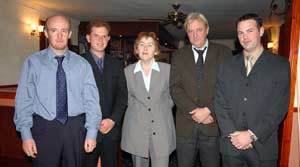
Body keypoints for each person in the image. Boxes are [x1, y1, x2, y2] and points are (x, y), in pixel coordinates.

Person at [14, 15, 102, 167]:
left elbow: (92, 101)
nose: (60, 36)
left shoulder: (83, 65)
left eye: (64, 31)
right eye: (54, 30)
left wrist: (92, 133)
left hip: (75, 128)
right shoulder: (33, 63)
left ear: (69, 34)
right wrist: (26, 135)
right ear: (46, 33)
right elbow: (24, 100)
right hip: (44, 128)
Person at [214, 13, 291, 167]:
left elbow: (279, 107)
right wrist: (234, 135)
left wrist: (251, 135)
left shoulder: (280, 65)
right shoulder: (226, 65)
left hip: (263, 148)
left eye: (250, 31)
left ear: (261, 31)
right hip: (231, 147)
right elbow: (219, 102)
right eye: (240, 32)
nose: (245, 37)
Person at [169, 12, 232, 167]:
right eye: (190, 31)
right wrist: (195, 111)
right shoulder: (178, 55)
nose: (195, 34)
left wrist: (208, 110)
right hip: (185, 125)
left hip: (212, 124)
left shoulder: (223, 53)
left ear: (207, 30)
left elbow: (227, 87)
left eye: (199, 29)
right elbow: (175, 88)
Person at [121, 32, 176, 167]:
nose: (145, 48)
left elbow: (172, 97)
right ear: (136, 49)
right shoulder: (127, 72)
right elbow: (126, 99)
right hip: (136, 130)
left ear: (156, 50)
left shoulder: (168, 70)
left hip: (162, 129)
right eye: (142, 45)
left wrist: (160, 109)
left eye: (150, 45)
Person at [81, 21, 128, 167]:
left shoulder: (116, 64)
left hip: (111, 130)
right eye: (96, 36)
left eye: (104, 36)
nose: (100, 40)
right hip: (86, 130)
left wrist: (112, 120)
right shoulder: (78, 62)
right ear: (88, 38)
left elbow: (122, 96)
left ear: (108, 39)